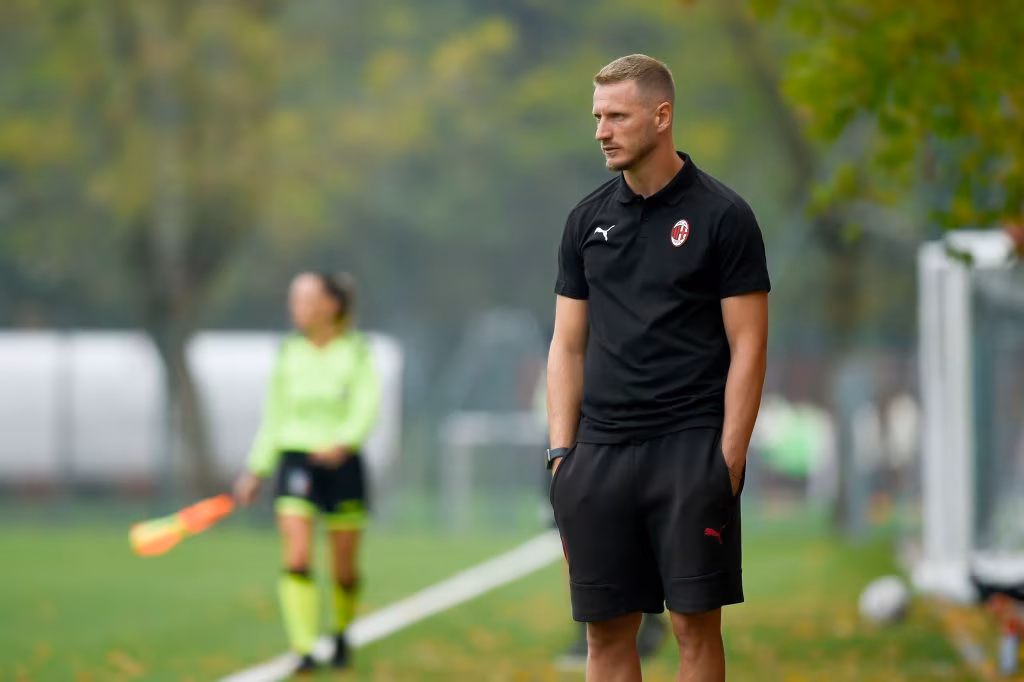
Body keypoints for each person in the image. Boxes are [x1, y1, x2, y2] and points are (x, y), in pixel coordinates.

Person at [546, 54, 770, 682]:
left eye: (617, 116)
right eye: (597, 117)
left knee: (694, 631)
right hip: (599, 455)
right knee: (605, 635)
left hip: (690, 450)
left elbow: (750, 346)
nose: (601, 131)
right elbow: (567, 346)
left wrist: (727, 459)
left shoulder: (724, 216)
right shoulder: (586, 221)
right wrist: (562, 456)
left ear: (662, 116)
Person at [233, 272, 380, 674]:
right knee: (297, 554)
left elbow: (367, 404)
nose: (295, 308)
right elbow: (275, 415)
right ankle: (303, 648)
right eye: (294, 300)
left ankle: (342, 633)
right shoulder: (288, 353)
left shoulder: (357, 352)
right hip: (296, 460)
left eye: (305, 300)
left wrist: (344, 442)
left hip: (342, 464)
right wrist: (256, 469)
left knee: (344, 565)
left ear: (330, 305)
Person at [532, 370, 669, 670]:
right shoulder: (562, 360)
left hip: (601, 443)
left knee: (620, 541)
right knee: (582, 544)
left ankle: (639, 620)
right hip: (575, 445)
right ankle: (598, 626)